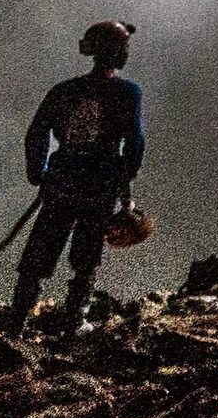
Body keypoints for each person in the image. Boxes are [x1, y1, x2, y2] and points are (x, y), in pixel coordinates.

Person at [9, 21, 144, 331]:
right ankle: (73, 319)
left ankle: (17, 319)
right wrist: (124, 179)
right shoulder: (127, 93)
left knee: (41, 250)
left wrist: (39, 173)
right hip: (100, 185)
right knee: (86, 256)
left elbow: (37, 133)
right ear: (119, 53)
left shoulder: (65, 90)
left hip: (62, 180)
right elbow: (135, 142)